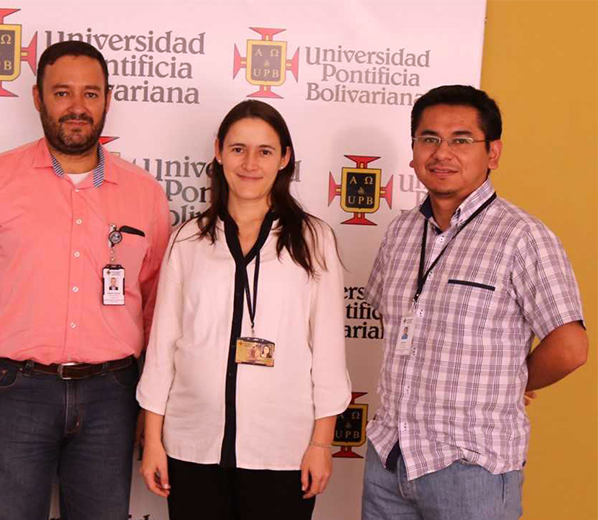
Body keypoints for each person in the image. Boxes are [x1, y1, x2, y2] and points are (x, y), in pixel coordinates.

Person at [0, 40, 170, 520]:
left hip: (113, 394)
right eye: (62, 93)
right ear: (38, 97)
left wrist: (151, 411)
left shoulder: (145, 193)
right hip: (12, 392)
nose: (77, 108)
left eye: (91, 93)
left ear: (108, 98)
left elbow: (156, 310)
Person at [361, 85, 588, 520]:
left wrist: (515, 379)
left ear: (493, 152)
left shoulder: (522, 237)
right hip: (388, 459)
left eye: (461, 140)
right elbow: (392, 320)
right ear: (413, 151)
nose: (442, 153)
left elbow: (571, 346)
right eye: (429, 139)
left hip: (471, 467)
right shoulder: (400, 232)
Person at [136, 100, 351, 520]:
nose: (250, 163)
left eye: (265, 151)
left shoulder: (313, 240)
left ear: (285, 158)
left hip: (282, 452)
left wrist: (321, 445)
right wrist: (154, 440)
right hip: (191, 446)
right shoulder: (187, 240)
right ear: (218, 151)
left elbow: (327, 352)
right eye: (238, 149)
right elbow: (162, 348)